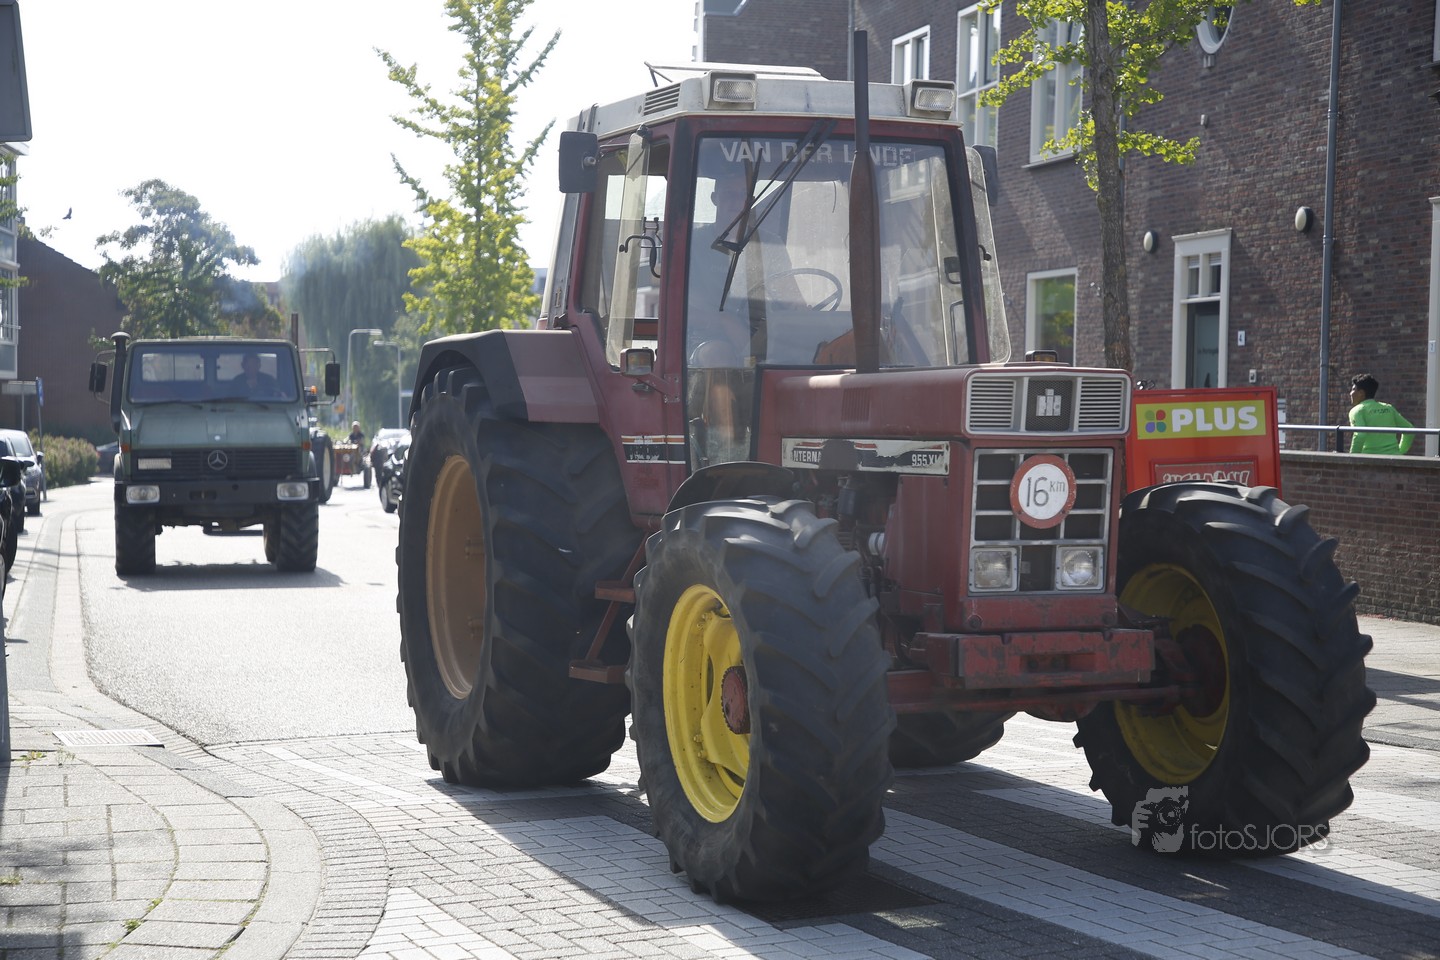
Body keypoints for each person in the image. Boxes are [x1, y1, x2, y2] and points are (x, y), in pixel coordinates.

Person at [1347, 373, 1415, 455]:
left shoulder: (1357, 411)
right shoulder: (1388, 408)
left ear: (1361, 393)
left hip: (1370, 459)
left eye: (1353, 389)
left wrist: (1352, 458)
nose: (1350, 393)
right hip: (1394, 457)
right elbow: (1409, 430)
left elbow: (1360, 434)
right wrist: (1400, 451)